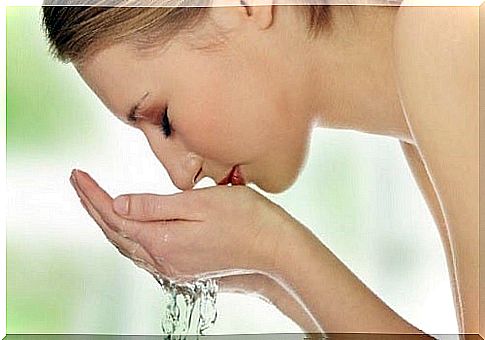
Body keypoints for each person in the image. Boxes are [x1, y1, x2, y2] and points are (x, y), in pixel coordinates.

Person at [42, 0, 479, 336]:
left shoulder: (449, 29)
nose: (181, 175)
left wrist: (276, 249)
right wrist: (270, 277)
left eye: (164, 120)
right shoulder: (421, 120)